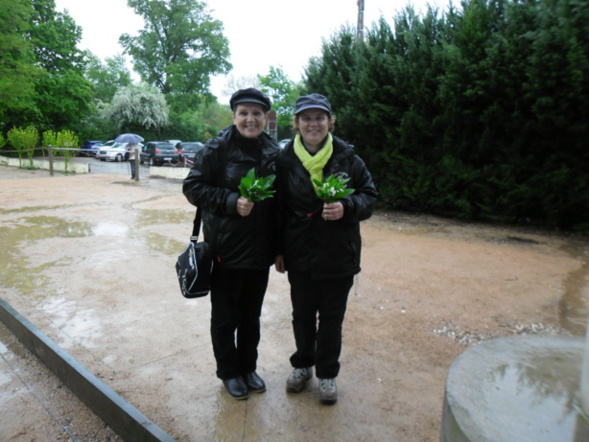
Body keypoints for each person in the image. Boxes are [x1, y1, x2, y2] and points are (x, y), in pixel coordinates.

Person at [275, 93, 378, 405]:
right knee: (302, 315)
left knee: (331, 318)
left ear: (329, 122)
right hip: (300, 253)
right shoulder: (285, 161)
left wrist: (347, 207)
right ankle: (303, 366)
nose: (313, 123)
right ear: (296, 124)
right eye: (306, 118)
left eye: (319, 118)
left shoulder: (348, 158)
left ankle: (328, 373)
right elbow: (278, 209)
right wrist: (278, 249)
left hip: (338, 254)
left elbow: (369, 196)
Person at [183, 88, 280, 400]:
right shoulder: (217, 147)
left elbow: (279, 204)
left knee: (251, 316)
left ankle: (248, 367)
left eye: (257, 113)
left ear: (266, 117)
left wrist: (279, 247)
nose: (250, 119)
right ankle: (228, 371)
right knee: (225, 318)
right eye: (244, 113)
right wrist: (230, 201)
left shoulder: (272, 150)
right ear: (234, 116)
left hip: (260, 252)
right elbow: (193, 186)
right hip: (226, 251)